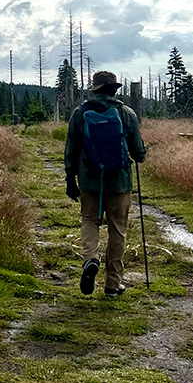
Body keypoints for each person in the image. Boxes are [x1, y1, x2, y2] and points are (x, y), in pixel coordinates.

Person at [63, 70, 147, 297]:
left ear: (95, 89)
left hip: (89, 179)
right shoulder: (125, 112)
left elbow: (70, 149)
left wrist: (70, 179)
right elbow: (138, 152)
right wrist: (140, 153)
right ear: (114, 90)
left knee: (90, 220)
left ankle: (90, 259)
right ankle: (112, 284)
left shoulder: (80, 113)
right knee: (117, 229)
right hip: (119, 181)